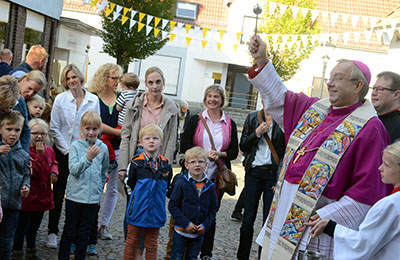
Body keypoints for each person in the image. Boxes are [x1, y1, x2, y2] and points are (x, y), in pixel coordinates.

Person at [248, 34, 391, 260]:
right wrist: (263, 61)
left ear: (358, 86)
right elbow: (279, 99)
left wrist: (324, 217)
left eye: (338, 78)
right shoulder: (315, 109)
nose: (330, 82)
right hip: (283, 208)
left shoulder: (370, 128)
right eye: (330, 77)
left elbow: (368, 189)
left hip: (316, 220)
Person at [118, 66, 178, 258]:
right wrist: (123, 165)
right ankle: (134, 250)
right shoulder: (135, 104)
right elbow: (126, 135)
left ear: (163, 83)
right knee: (134, 207)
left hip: (158, 162)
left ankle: (145, 250)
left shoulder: (170, 108)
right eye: (150, 82)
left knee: (152, 208)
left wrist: (165, 166)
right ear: (146, 84)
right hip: (137, 159)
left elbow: (170, 141)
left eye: (158, 82)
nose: (154, 86)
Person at [306, 141, 400, 259]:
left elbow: (362, 245)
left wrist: (331, 227)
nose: (380, 168)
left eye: (386, 165)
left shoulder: (390, 205)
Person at [180, 84, 239, 260]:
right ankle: (186, 251)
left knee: (210, 214)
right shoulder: (196, 120)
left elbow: (234, 151)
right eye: (209, 96)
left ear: (222, 100)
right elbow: (184, 145)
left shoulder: (229, 123)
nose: (212, 99)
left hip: (215, 177)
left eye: (216, 97)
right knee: (189, 211)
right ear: (205, 99)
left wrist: (219, 154)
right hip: (193, 175)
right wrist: (203, 154)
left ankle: (206, 252)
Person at [48, 64, 100, 249]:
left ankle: (81, 237)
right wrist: (68, 150)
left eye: (74, 77)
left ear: (80, 77)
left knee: (83, 191)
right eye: (68, 79)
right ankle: (52, 232)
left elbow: (96, 125)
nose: (71, 81)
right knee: (59, 192)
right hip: (63, 151)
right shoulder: (61, 99)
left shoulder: (93, 99)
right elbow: (54, 127)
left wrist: (83, 151)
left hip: (85, 151)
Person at [58, 111, 109, 260]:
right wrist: (88, 158)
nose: (91, 132)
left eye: (94, 129)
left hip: (92, 199)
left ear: (99, 129)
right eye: (88, 128)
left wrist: (99, 190)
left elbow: (103, 171)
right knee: (69, 230)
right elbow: (73, 170)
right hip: (74, 197)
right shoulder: (75, 146)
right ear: (82, 129)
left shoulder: (103, 148)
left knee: (84, 233)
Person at [236, 107, 285, 260]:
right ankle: (242, 256)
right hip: (254, 172)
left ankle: (262, 257)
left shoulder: (282, 120)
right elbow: (243, 145)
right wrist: (256, 134)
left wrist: (280, 179)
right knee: (248, 218)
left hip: (272, 174)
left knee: (268, 221)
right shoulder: (252, 118)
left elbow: (286, 152)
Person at [123, 124, 172, 260]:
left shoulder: (165, 165)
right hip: (138, 209)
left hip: (156, 211)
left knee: (152, 244)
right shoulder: (136, 164)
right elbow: (129, 183)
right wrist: (136, 200)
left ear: (161, 142)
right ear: (141, 142)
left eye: (155, 138)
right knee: (131, 241)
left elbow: (167, 185)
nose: (151, 141)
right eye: (147, 138)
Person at [12, 119, 58, 259]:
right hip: (28, 198)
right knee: (22, 227)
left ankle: (32, 252)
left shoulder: (49, 150)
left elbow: (54, 163)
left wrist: (54, 172)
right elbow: (34, 172)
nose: (39, 136)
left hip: (43, 196)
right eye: (35, 133)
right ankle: (17, 252)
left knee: (34, 228)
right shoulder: (25, 151)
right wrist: (39, 154)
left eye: (42, 133)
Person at [89, 63, 123, 240]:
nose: (117, 81)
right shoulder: (94, 98)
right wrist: (117, 131)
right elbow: (95, 121)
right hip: (98, 147)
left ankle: (105, 224)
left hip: (118, 149)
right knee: (95, 185)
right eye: (113, 78)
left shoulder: (121, 98)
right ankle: (90, 223)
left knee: (113, 189)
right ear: (104, 78)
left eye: (119, 78)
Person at [168, 147, 218, 260]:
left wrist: (205, 225)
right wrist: (186, 223)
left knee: (192, 257)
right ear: (186, 165)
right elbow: (173, 205)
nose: (197, 165)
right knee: (177, 257)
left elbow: (213, 208)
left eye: (200, 162)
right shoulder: (182, 183)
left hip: (199, 232)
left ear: (206, 165)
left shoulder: (209, 185)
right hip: (181, 230)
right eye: (193, 162)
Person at [0, 111, 30, 260]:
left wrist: (26, 187)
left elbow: (25, 175)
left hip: (13, 204)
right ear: (0, 129)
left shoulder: (23, 154)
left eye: (17, 130)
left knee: (6, 241)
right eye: (9, 129)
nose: (13, 134)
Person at [101, 72, 140, 171]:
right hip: (132, 126)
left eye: (122, 86)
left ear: (130, 88)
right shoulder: (138, 95)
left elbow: (118, 108)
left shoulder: (124, 94)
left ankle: (111, 159)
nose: (121, 88)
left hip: (121, 125)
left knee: (104, 138)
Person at [0, 75, 30, 152]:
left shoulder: (20, 102)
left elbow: (25, 130)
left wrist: (24, 154)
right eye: (3, 106)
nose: (7, 110)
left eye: (11, 106)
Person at [371, 71, 400, 143]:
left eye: (380, 89)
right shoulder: (369, 119)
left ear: (396, 94)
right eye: (373, 88)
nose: (374, 93)